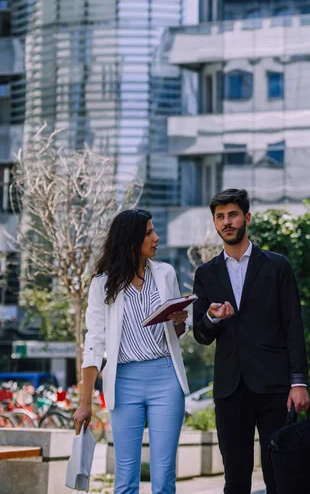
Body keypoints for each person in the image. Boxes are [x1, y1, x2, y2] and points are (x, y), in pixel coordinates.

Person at [193, 188, 310, 494]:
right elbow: (201, 335)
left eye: (232, 215)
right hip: (230, 390)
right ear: (215, 223)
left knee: (279, 475)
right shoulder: (206, 273)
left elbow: (293, 326)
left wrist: (299, 382)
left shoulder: (277, 266)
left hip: (275, 387)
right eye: (220, 217)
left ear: (246, 218)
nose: (226, 222)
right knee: (236, 477)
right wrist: (214, 317)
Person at [74, 209, 189, 494]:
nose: (156, 237)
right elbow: (94, 343)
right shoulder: (103, 284)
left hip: (166, 377)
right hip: (124, 381)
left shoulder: (166, 274)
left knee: (164, 477)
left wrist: (179, 321)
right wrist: (85, 402)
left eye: (153, 231)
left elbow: (177, 335)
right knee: (125, 478)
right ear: (130, 240)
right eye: (149, 233)